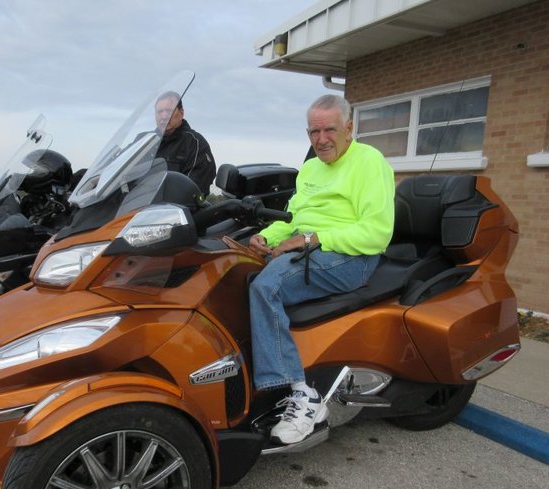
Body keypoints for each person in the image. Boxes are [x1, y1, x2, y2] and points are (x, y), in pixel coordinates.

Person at [248, 94, 395, 445]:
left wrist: (313, 239)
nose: (321, 139)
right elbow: (294, 219)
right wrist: (263, 237)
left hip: (352, 256)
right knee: (234, 271)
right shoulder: (311, 168)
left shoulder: (370, 162)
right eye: (314, 131)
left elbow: (376, 233)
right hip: (311, 247)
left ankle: (304, 396)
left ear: (349, 128)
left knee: (266, 286)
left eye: (330, 129)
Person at [154, 91, 216, 196]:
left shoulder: (195, 144)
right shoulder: (144, 142)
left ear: (181, 112)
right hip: (133, 208)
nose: (164, 116)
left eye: (169, 111)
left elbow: (194, 190)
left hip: (172, 209)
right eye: (160, 111)